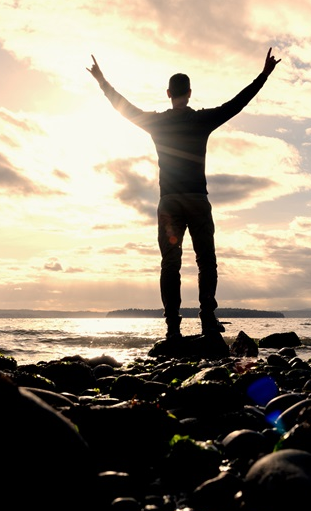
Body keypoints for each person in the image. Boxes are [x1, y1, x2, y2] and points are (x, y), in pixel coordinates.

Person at [88, 48, 281, 338]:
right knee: (206, 262)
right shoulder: (201, 120)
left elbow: (123, 106)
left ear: (168, 93)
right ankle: (207, 321)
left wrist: (102, 81)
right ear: (189, 93)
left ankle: (172, 327)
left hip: (169, 203)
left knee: (170, 264)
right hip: (196, 200)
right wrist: (263, 75)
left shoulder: (156, 123)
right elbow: (237, 104)